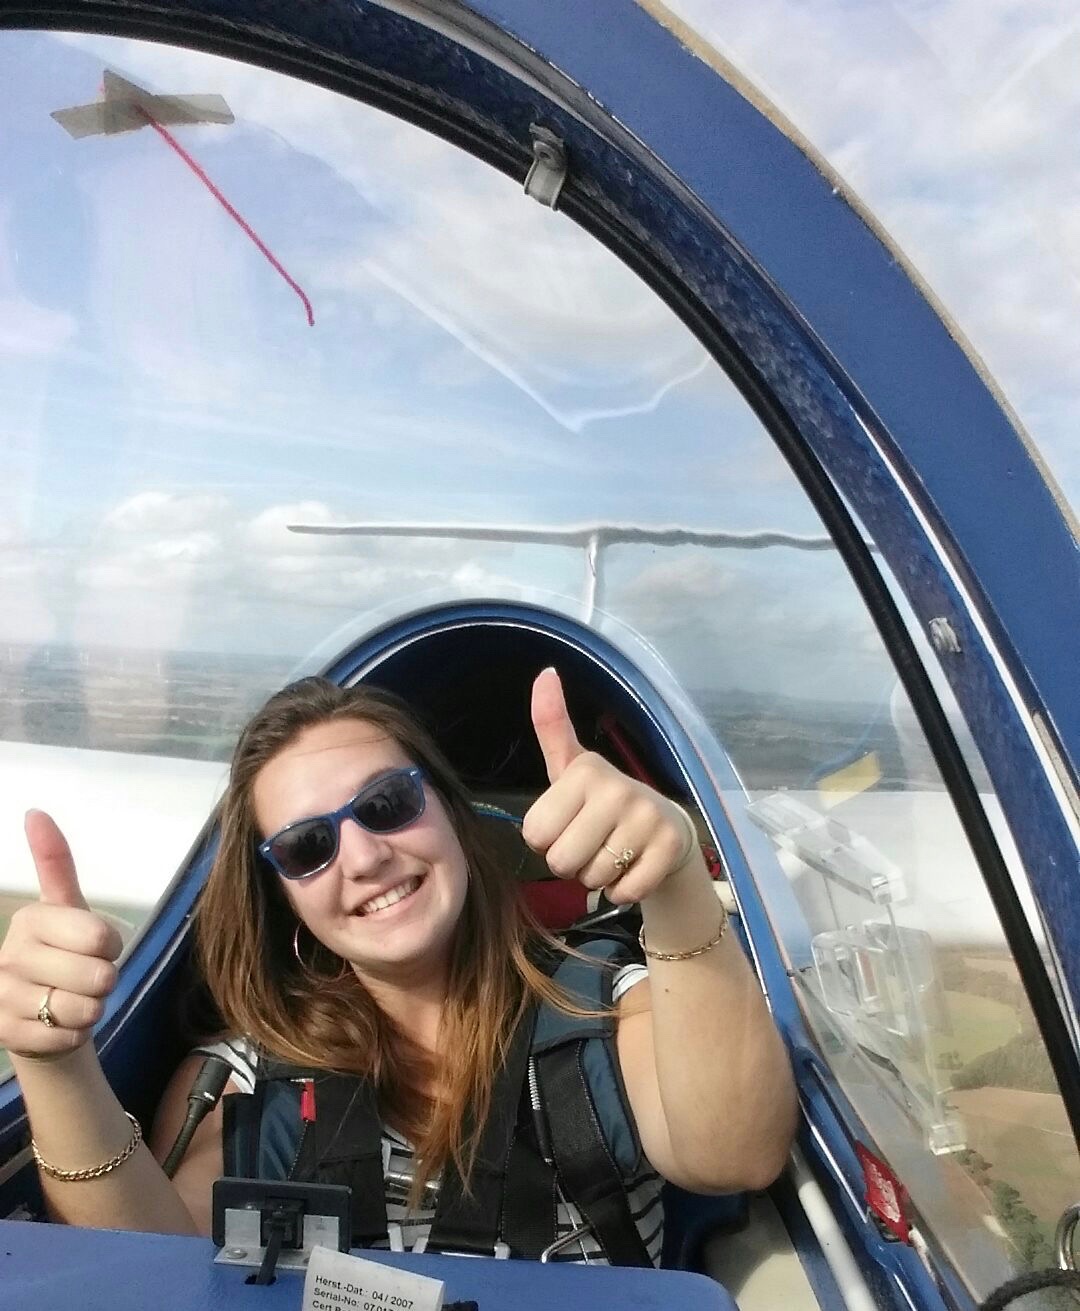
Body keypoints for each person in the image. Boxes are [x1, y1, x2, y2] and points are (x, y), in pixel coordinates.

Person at [0, 668, 796, 1261]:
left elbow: (735, 1153)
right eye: (308, 845)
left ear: (451, 811)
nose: (363, 856)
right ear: (287, 897)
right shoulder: (241, 1082)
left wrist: (676, 883)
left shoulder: (603, 1009)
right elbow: (148, 1270)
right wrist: (53, 1061)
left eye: (386, 803)